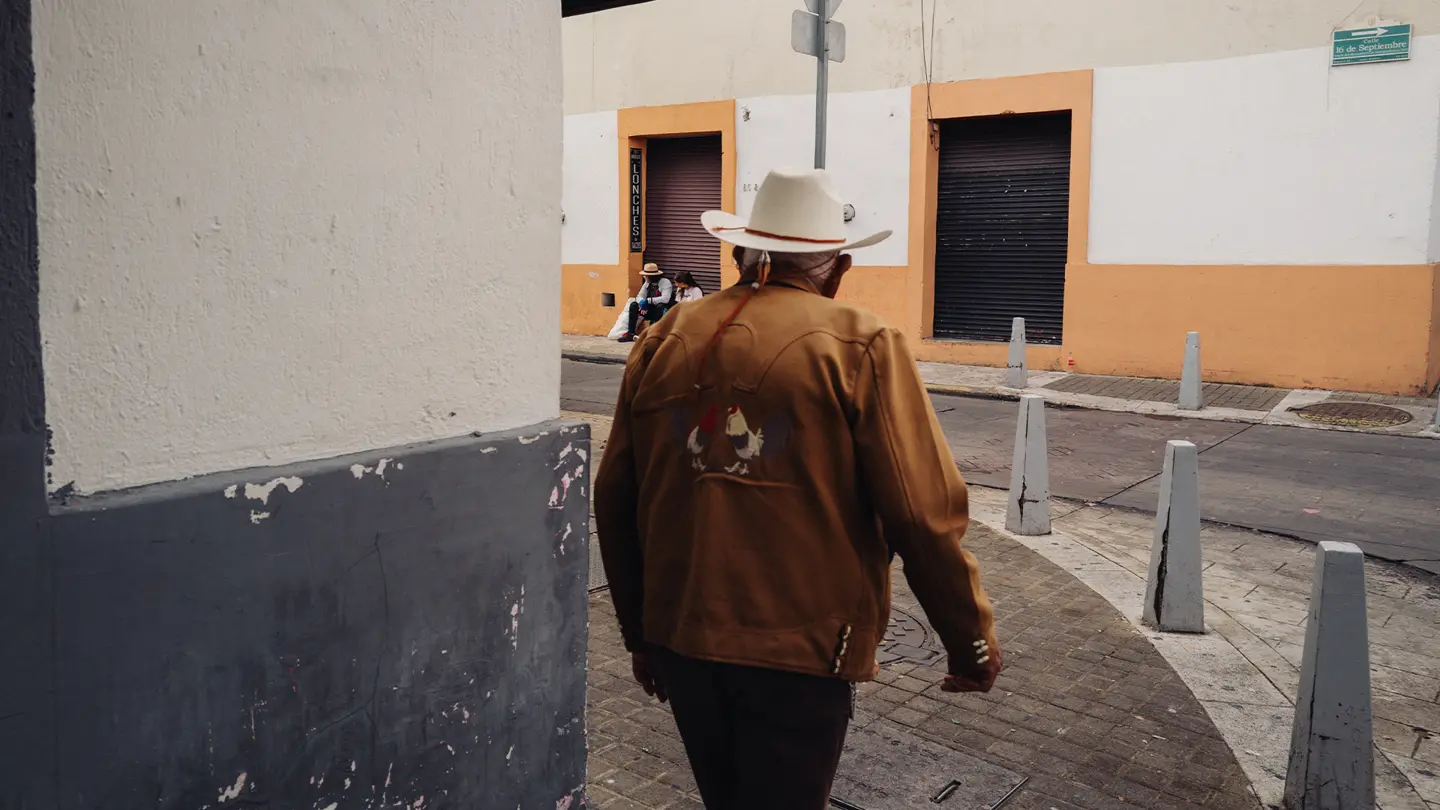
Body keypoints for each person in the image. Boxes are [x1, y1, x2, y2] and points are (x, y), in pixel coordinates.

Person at [594, 167, 1002, 809]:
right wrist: (969, 639)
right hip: (802, 649)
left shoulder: (663, 337)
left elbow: (614, 498)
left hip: (681, 637)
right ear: (835, 269)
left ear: (738, 255)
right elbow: (921, 515)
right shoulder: (861, 344)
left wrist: (640, 633)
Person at [619, 263, 674, 342]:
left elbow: (665, 299)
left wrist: (648, 301)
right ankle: (631, 333)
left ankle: (652, 334)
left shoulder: (665, 283)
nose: (644, 277)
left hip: (661, 311)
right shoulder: (647, 283)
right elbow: (639, 296)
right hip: (648, 309)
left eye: (646, 275)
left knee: (660, 306)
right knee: (633, 305)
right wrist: (642, 302)